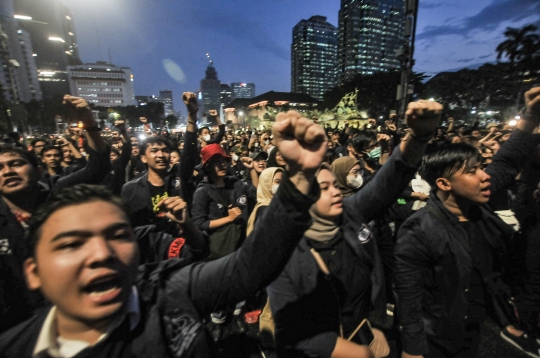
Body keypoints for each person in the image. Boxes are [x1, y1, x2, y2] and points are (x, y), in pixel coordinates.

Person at [0, 110, 327, 358]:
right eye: (71, 244)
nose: (100, 254)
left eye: (117, 235)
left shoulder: (166, 289)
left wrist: (299, 179)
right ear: (33, 271)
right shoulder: (16, 348)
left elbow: (248, 267)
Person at [267, 100, 442, 358]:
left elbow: (389, 181)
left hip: (362, 327)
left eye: (334, 185)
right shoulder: (286, 249)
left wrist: (418, 136)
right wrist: (354, 352)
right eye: (324, 188)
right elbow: (293, 331)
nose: (336, 192)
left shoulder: (350, 213)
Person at [394, 87, 540, 358]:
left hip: (472, 327)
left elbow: (506, 163)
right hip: (437, 335)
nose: (485, 176)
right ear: (443, 183)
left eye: (482, 167)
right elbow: (409, 295)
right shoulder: (418, 229)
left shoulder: (475, 207)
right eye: (473, 171)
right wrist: (412, 350)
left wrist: (530, 115)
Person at [0, 95, 111, 333]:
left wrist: (89, 122)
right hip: (22, 330)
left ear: (36, 169)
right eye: (0, 168)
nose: (8, 171)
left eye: (16, 164)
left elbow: (98, 167)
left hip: (80, 314)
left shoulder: (57, 191)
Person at [122, 92, 199, 233]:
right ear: (143, 158)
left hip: (182, 244)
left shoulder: (179, 175)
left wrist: (192, 115)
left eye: (165, 150)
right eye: (154, 150)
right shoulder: (130, 189)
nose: (161, 155)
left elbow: (189, 152)